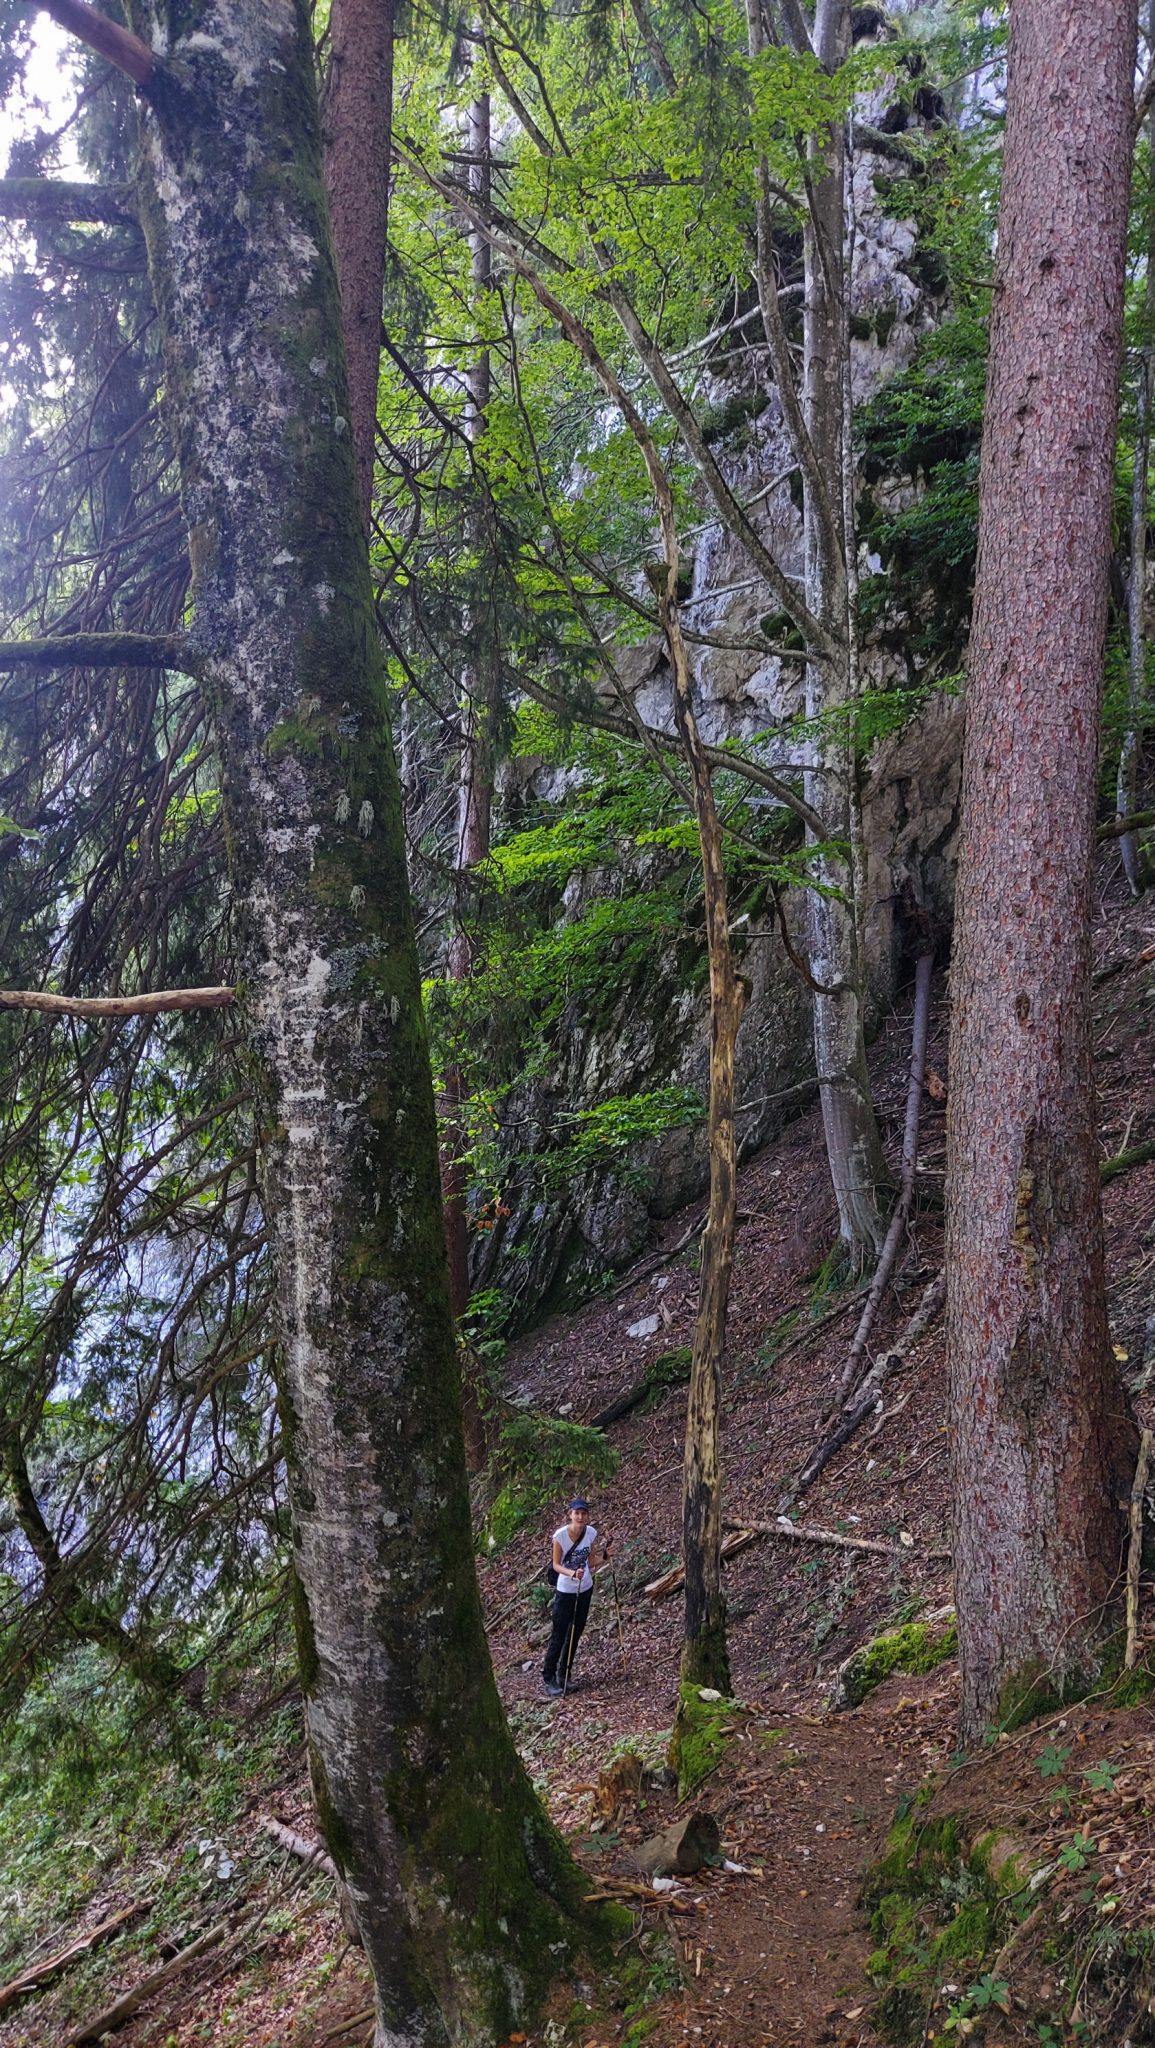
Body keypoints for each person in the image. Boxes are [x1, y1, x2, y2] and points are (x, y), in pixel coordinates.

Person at [542, 1497, 607, 1696]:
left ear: (587, 1516)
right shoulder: (560, 1536)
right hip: (565, 1591)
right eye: (576, 1513)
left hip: (585, 1588)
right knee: (559, 1634)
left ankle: (565, 1675)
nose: (580, 1517)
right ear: (570, 1515)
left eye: (583, 1513)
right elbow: (556, 1565)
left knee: (575, 1632)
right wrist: (571, 1573)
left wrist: (606, 1557)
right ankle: (549, 1677)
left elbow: (591, 1560)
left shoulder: (590, 1533)